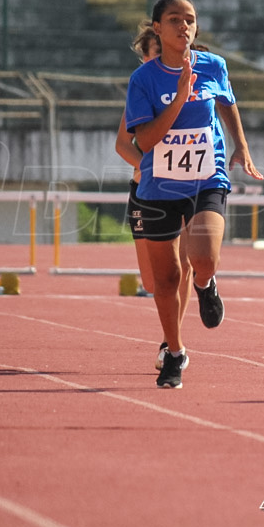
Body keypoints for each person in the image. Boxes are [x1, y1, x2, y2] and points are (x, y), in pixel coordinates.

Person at [125, 0, 264, 389]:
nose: (183, 26)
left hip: (206, 179)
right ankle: (174, 352)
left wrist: (241, 144)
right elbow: (145, 141)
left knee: (203, 259)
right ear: (157, 28)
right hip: (158, 187)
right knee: (165, 280)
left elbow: (227, 103)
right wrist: (180, 97)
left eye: (189, 19)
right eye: (174, 19)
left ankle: (206, 283)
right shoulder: (144, 80)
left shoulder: (213, 66)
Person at [115, 21, 193, 372]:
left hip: (187, 187)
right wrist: (147, 164)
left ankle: (172, 343)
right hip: (148, 190)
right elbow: (122, 143)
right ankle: (171, 337)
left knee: (186, 266)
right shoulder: (140, 89)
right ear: (145, 58)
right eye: (155, 55)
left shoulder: (190, 86)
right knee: (153, 280)